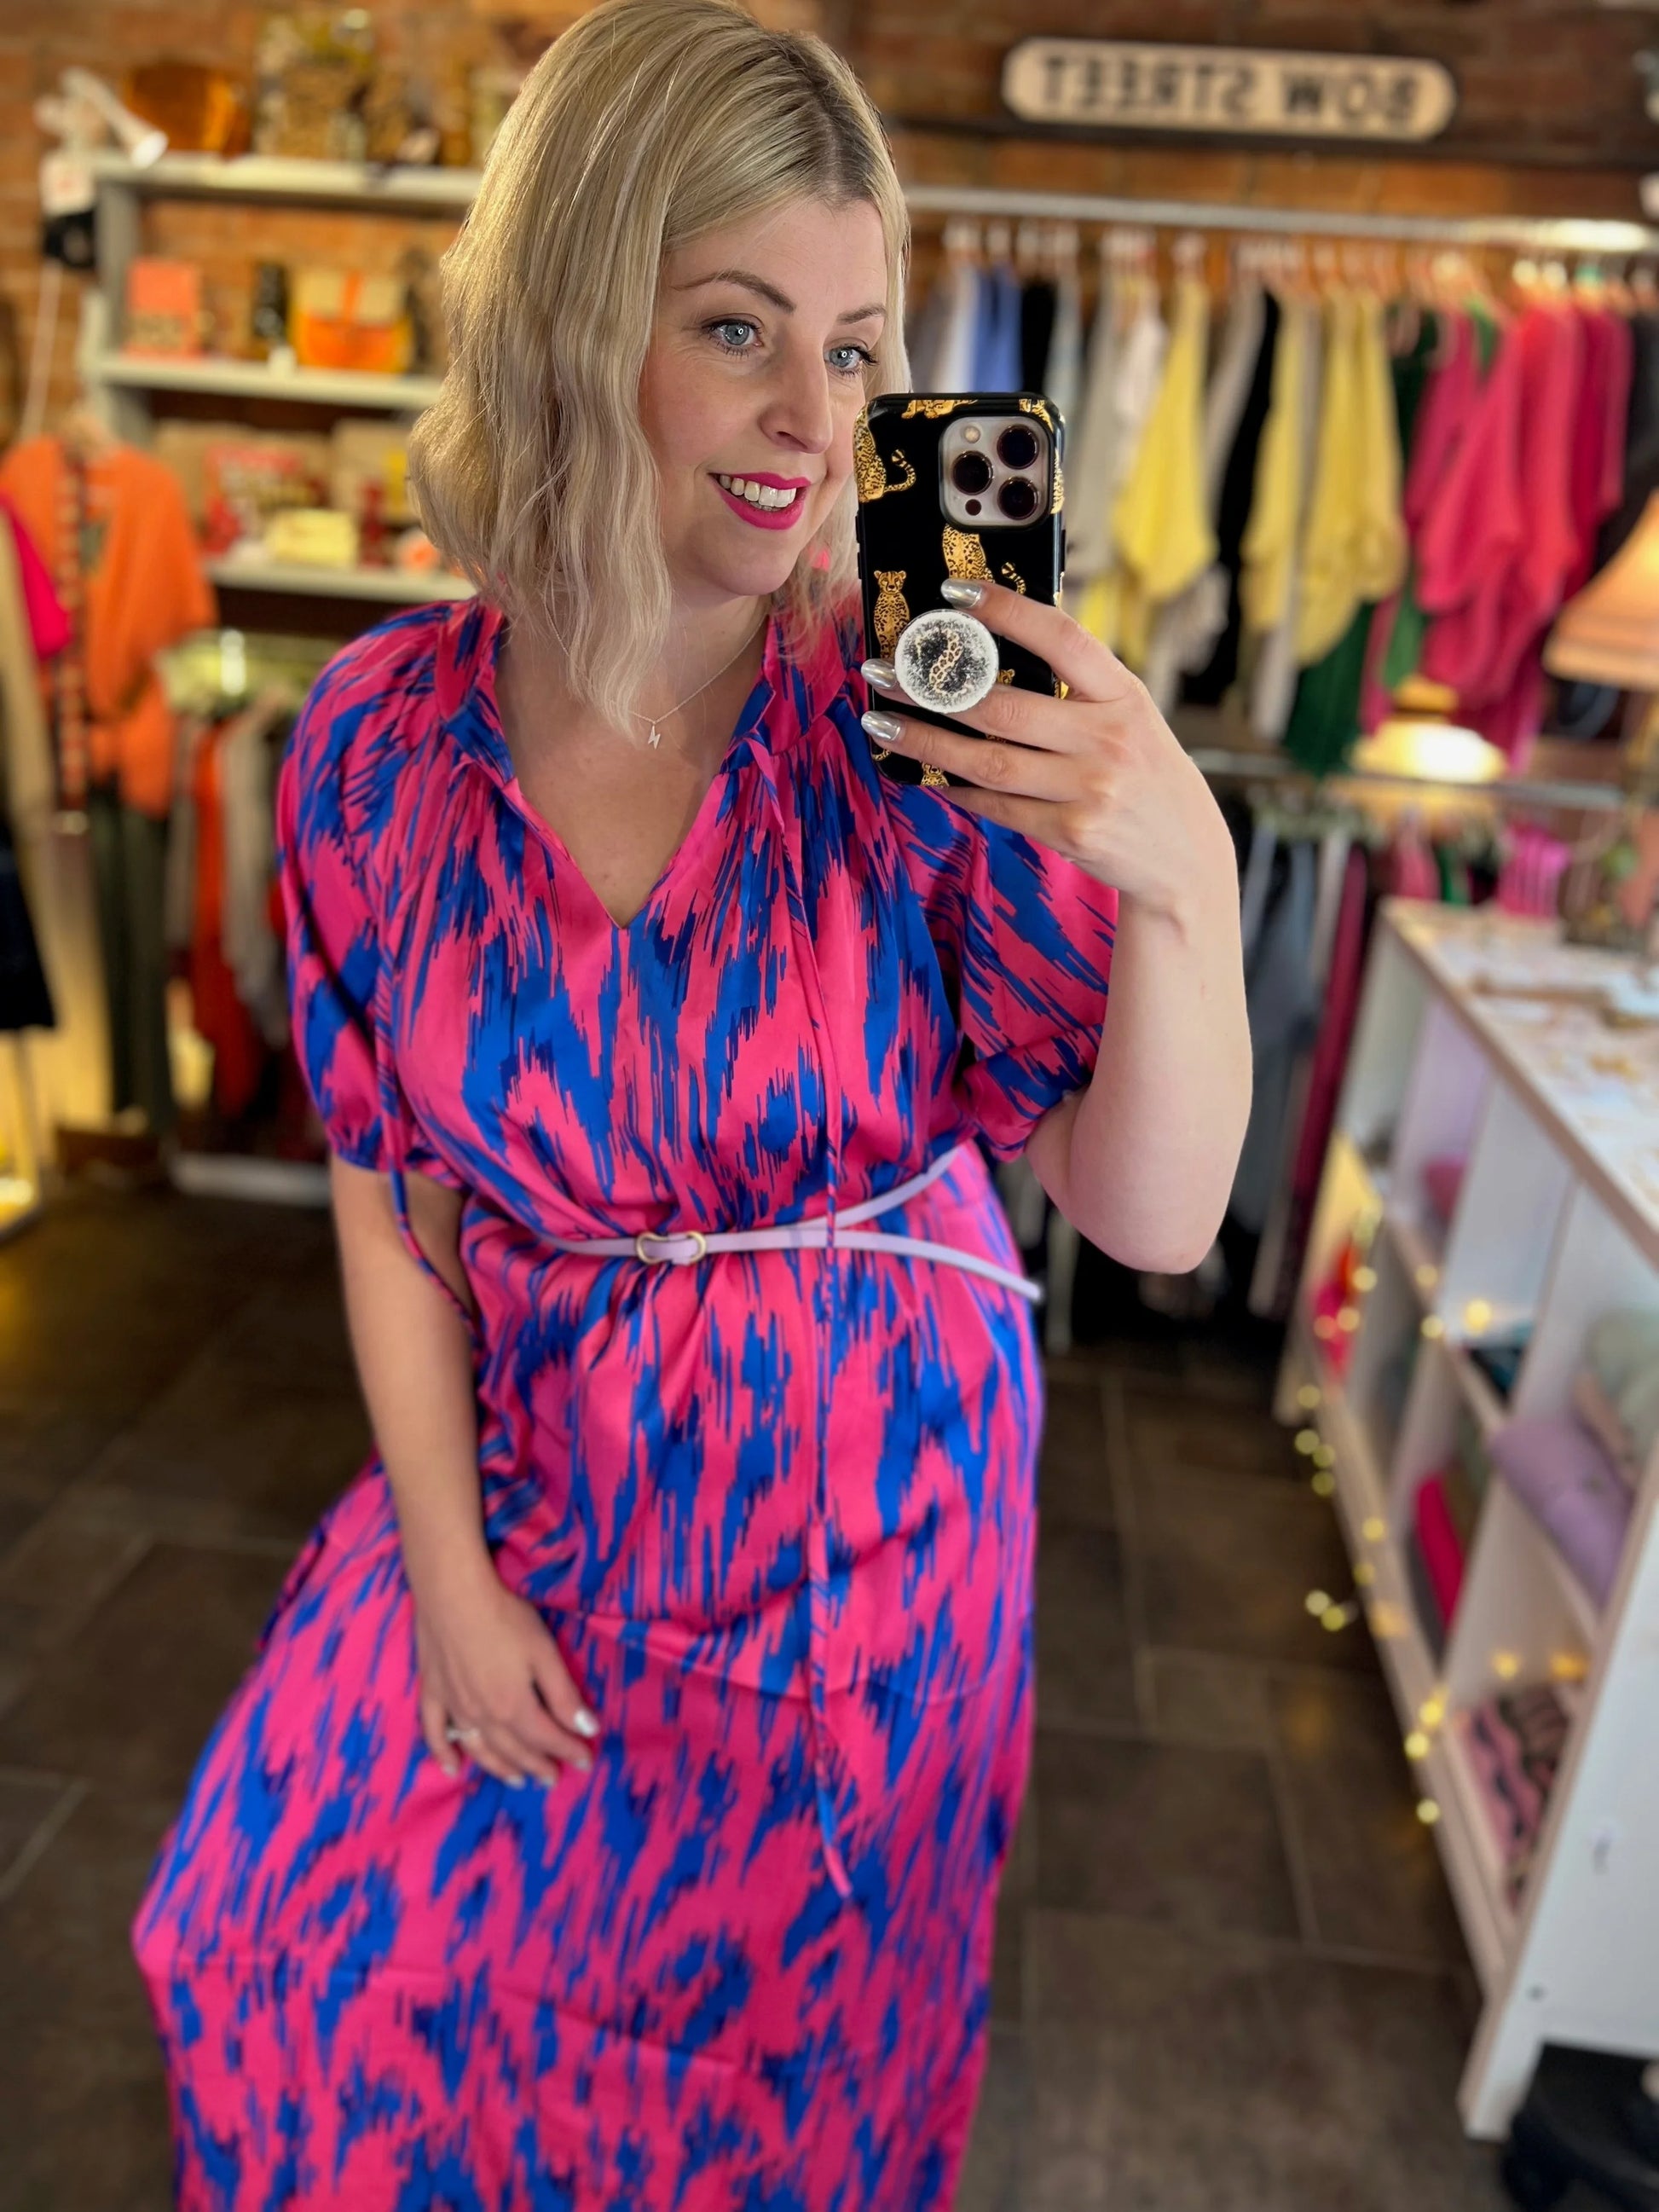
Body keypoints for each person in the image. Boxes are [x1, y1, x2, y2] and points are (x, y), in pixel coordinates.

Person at [131, 2, 1250, 2202]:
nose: (809, 425)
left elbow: (1153, 1220)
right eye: (737, 328)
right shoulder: (376, 742)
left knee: (759, 2114)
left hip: (860, 1569)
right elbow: (381, 1185)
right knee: (305, 1970)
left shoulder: (921, 742)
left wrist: (1186, 887)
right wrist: (445, 1574)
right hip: (533, 1489)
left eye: (854, 352)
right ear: (572, 319)